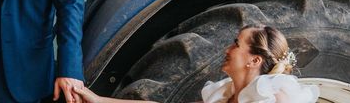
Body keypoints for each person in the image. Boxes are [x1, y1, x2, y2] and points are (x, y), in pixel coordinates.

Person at [73, 26, 319, 103]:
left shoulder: (270, 100)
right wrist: (99, 100)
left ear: (254, 60)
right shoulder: (225, 95)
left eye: (236, 44)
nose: (227, 49)